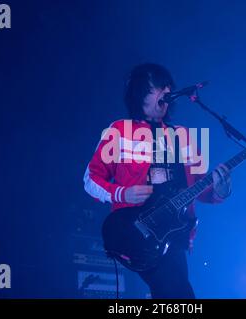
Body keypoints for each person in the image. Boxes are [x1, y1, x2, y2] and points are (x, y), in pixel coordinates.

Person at [83, 63, 232, 299]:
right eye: (157, 87)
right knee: (179, 295)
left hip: (177, 235)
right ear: (140, 93)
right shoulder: (120, 131)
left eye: (168, 86)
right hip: (135, 232)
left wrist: (219, 192)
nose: (167, 91)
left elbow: (200, 189)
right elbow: (90, 179)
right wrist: (122, 193)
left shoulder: (182, 136)